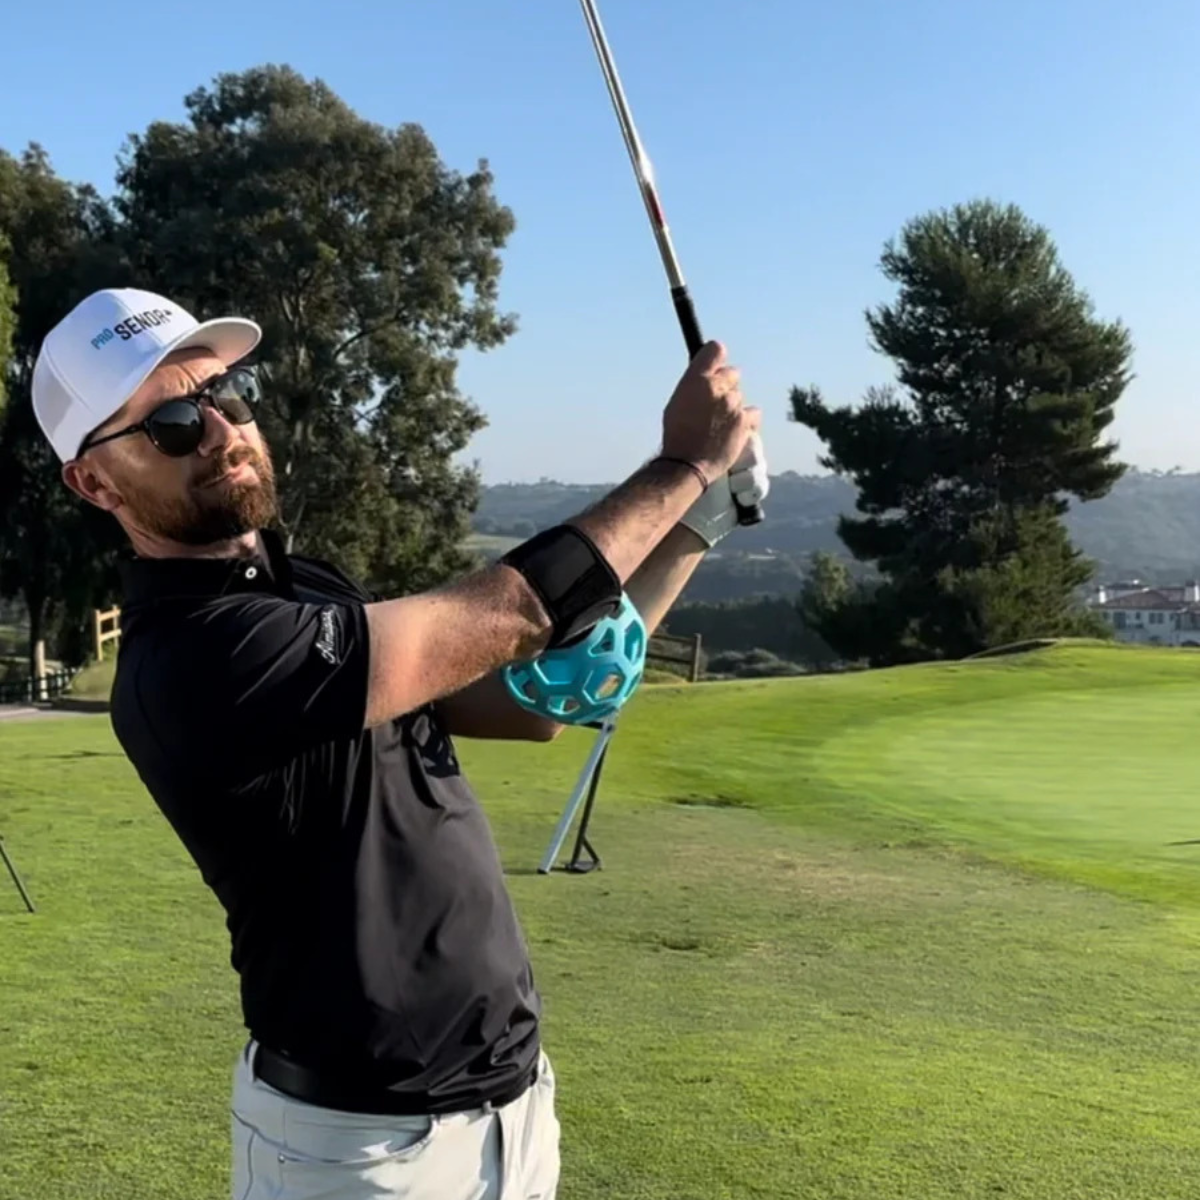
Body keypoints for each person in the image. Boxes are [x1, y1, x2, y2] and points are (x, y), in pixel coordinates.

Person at [32, 286, 768, 1200]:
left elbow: (534, 696)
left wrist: (697, 525)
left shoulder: (306, 590)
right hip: (360, 1153)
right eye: (172, 424)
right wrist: (684, 466)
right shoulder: (195, 657)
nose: (221, 430)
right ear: (95, 483)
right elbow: (513, 612)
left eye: (225, 394)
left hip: (512, 1113)